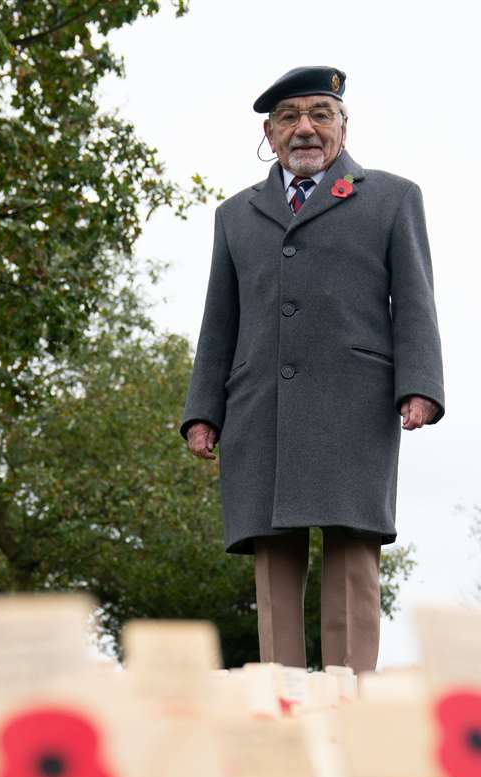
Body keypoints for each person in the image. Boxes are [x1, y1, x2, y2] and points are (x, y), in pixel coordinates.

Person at [180, 65, 445, 673]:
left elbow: (415, 300)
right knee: (273, 568)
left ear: (343, 127)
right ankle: (283, 707)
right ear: (269, 136)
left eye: (319, 115)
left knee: (352, 558)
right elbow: (218, 319)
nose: (305, 129)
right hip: (258, 408)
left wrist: (420, 384)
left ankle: (353, 709)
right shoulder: (234, 215)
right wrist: (202, 410)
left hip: (355, 406)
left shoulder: (392, 197)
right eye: (289, 118)